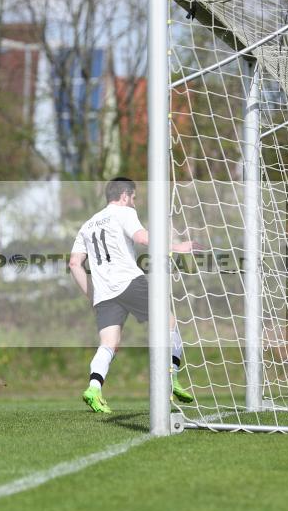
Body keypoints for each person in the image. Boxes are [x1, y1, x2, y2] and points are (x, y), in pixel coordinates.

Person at [69, 177, 200, 413]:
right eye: (134, 198)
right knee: (169, 323)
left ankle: (94, 388)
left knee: (109, 343)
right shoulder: (123, 212)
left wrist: (92, 295)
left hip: (104, 292)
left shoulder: (88, 224)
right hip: (129, 281)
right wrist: (177, 247)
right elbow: (142, 238)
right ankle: (172, 378)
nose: (134, 203)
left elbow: (74, 263)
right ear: (124, 196)